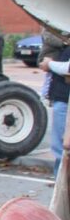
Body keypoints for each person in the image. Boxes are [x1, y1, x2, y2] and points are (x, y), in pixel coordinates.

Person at [40, 42, 70, 178]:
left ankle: (61, 179)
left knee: (62, 145)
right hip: (62, 98)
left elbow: (68, 68)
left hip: (65, 100)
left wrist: (50, 64)